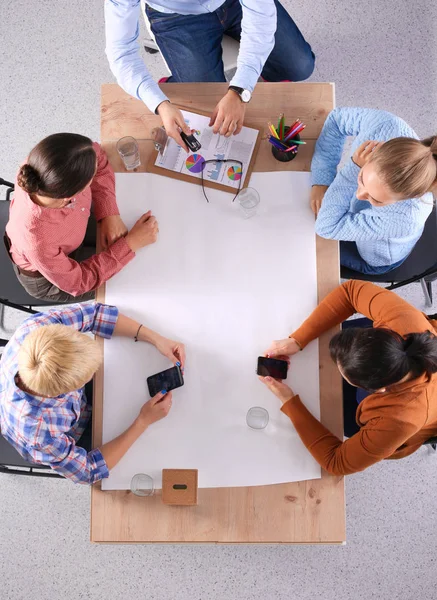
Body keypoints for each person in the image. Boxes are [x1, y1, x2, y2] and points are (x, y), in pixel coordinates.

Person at [259, 280, 437, 476]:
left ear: (376, 390)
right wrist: (298, 339)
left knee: (336, 415)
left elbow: (337, 463)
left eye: (341, 371)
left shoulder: (399, 421)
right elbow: (350, 291)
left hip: (408, 418)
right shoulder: (404, 321)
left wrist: (289, 402)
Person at [0, 302, 185, 484]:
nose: (95, 373)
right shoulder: (40, 434)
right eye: (87, 376)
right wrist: (143, 421)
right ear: (62, 393)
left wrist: (154, 338)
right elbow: (89, 471)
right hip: (70, 434)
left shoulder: (38, 330)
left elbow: (95, 315)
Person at [105, 0, 314, 150]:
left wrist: (241, 89)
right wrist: (159, 103)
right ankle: (175, 82)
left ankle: (258, 71)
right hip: (176, 19)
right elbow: (121, 53)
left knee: (300, 66)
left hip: (235, 4)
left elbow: (260, 15)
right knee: (207, 105)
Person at [6, 133, 159, 302]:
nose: (96, 169)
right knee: (127, 281)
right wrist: (131, 244)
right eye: (90, 178)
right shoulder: (37, 241)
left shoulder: (45, 163)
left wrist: (109, 213)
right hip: (51, 279)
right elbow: (79, 283)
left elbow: (97, 156)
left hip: (68, 237)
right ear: (72, 195)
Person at [309, 107, 437, 274]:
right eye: (362, 178)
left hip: (374, 257)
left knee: (299, 246)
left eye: (376, 200)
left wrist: (353, 170)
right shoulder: (386, 125)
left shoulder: (405, 218)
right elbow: (336, 119)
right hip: (362, 224)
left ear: (409, 198)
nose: (357, 194)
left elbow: (326, 227)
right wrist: (322, 179)